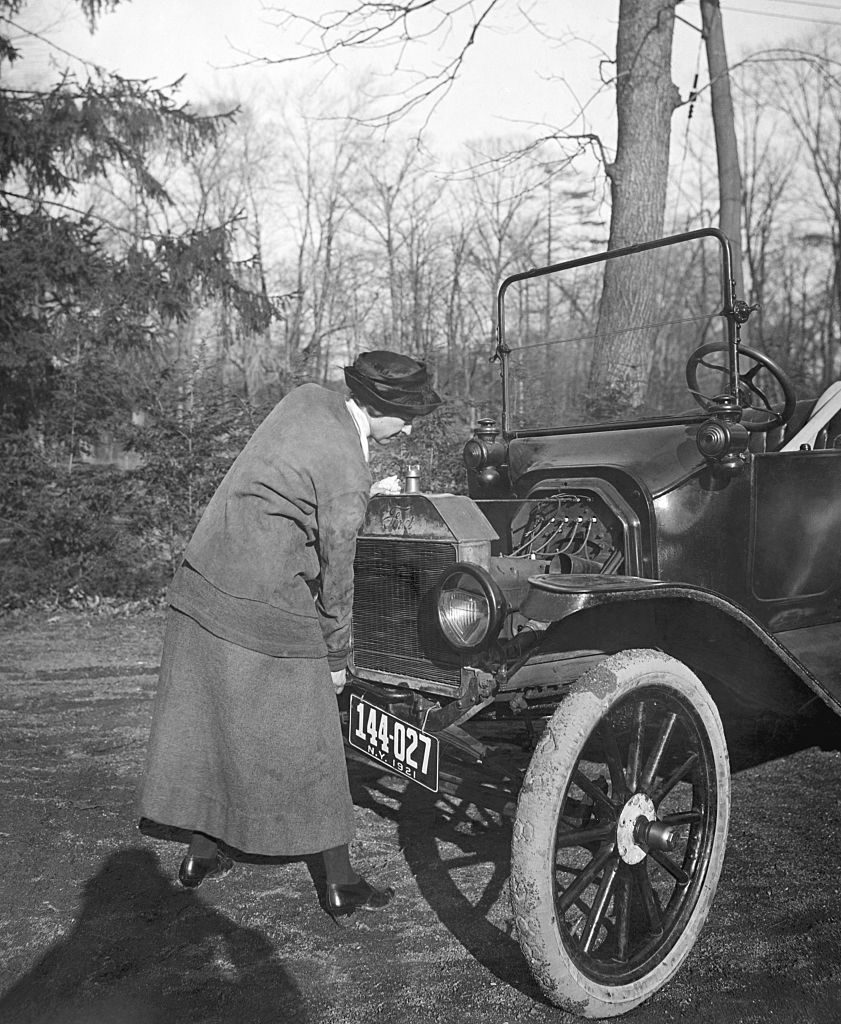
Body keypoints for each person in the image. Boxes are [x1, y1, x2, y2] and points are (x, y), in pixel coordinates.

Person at [137, 350, 442, 918]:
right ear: (382, 408)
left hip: (203, 577)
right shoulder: (349, 471)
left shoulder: (307, 399)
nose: (413, 425)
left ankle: (200, 855)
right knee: (317, 739)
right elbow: (339, 572)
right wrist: (336, 654)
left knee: (217, 719)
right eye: (410, 415)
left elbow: (293, 476)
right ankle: (340, 883)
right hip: (263, 596)